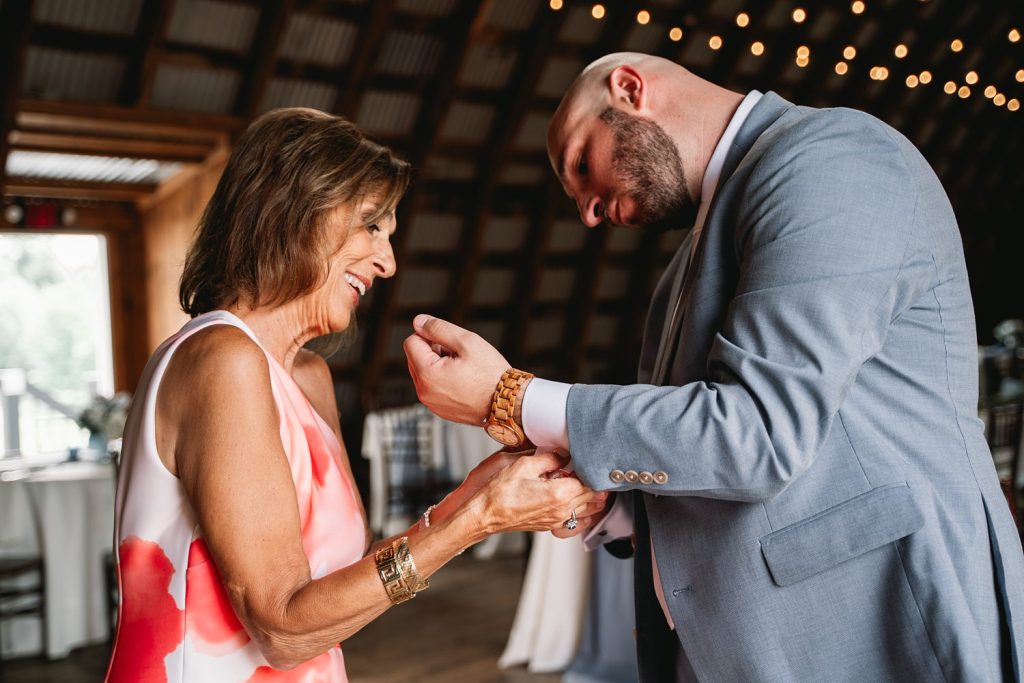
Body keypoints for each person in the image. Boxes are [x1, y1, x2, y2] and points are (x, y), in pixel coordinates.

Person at [403, 53, 1024, 681]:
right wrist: (607, 504)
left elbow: (756, 433)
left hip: (876, 618)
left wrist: (512, 397)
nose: (587, 213)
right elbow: (702, 457)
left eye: (581, 164)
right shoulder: (681, 270)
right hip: (747, 644)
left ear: (630, 89)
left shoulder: (834, 160)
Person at [106, 108, 602, 682]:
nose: (388, 262)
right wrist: (479, 521)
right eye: (372, 226)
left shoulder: (308, 376)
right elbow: (283, 630)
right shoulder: (221, 360)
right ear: (293, 209)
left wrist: (477, 493)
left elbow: (340, 583)